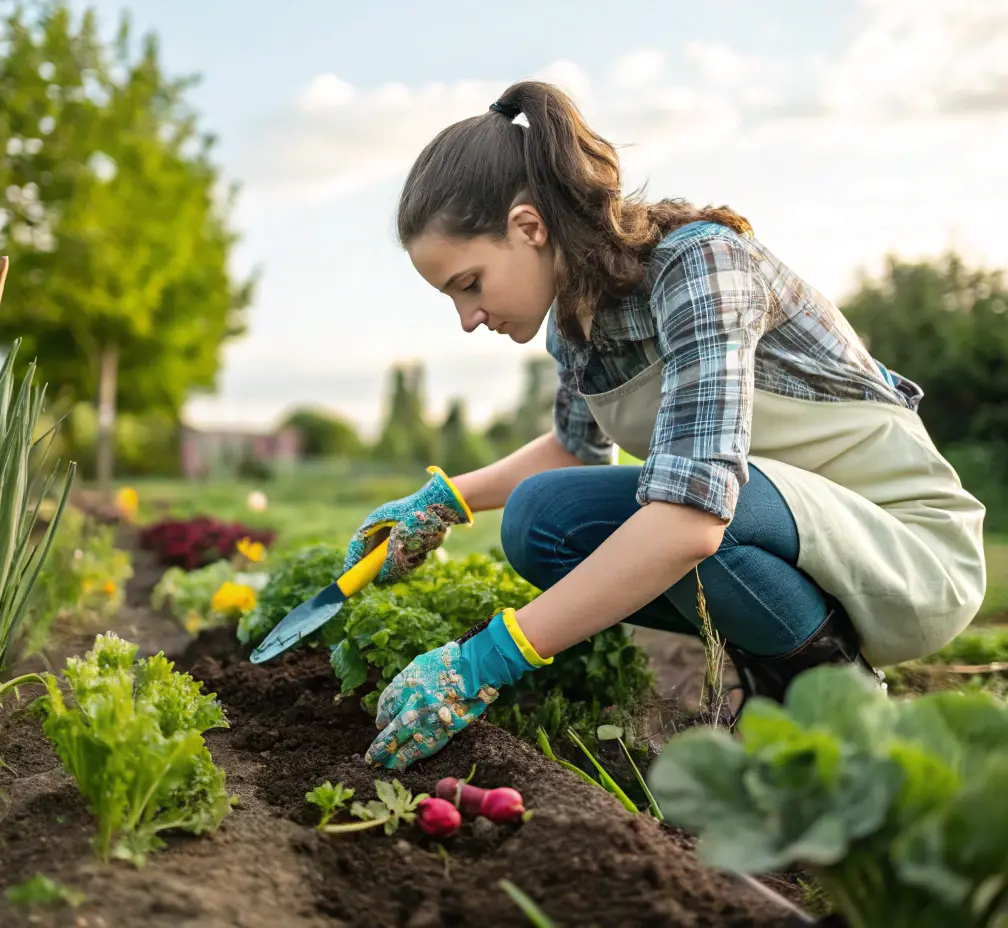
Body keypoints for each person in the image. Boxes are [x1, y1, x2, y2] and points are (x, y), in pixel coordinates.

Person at [343, 81, 987, 773]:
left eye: (469, 285)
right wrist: (447, 501)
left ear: (529, 228)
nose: (469, 318)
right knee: (539, 522)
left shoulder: (700, 266)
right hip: (788, 535)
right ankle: (775, 666)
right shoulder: (573, 326)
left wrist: (491, 656)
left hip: (906, 548)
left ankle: (841, 698)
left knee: (682, 514)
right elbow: (573, 449)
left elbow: (693, 519)